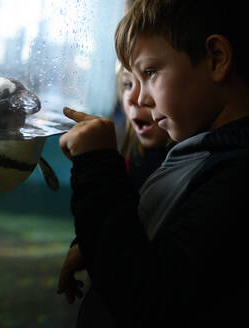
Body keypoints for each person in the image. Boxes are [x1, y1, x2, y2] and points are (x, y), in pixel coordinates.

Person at [58, 0, 249, 327]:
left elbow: (150, 300)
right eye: (132, 80)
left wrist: (97, 167)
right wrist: (99, 243)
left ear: (216, 58)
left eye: (150, 72)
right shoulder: (212, 154)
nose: (139, 98)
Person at [57, 64, 173, 327]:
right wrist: (87, 244)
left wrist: (95, 162)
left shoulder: (182, 165)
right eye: (127, 84)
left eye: (150, 77)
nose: (134, 98)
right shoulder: (136, 155)